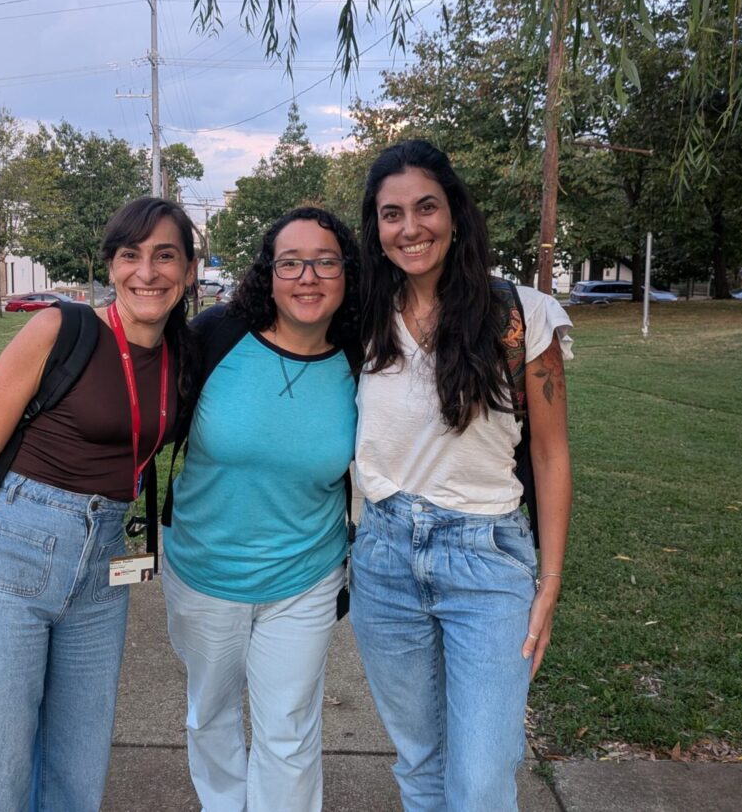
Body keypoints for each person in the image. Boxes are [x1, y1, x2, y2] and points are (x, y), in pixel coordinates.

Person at [0, 197, 197, 811]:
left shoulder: (182, 355)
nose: (147, 271)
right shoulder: (60, 330)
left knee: (77, 765)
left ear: (190, 271)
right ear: (111, 267)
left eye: (165, 255)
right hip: (9, 553)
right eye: (131, 255)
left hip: (102, 574)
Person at [350, 140, 573, 811]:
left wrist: (551, 582)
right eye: (392, 214)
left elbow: (552, 453)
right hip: (384, 557)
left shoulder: (521, 315)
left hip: (487, 563)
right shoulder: (360, 317)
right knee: (421, 766)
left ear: (455, 215)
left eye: (426, 208)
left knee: (480, 781)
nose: (410, 227)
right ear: (376, 226)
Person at [162, 207, 361, 812]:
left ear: (348, 273)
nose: (308, 276)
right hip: (203, 571)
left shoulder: (364, 357)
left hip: (304, 577)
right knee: (211, 714)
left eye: (326, 261)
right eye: (291, 262)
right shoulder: (216, 338)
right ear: (267, 274)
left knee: (289, 728)